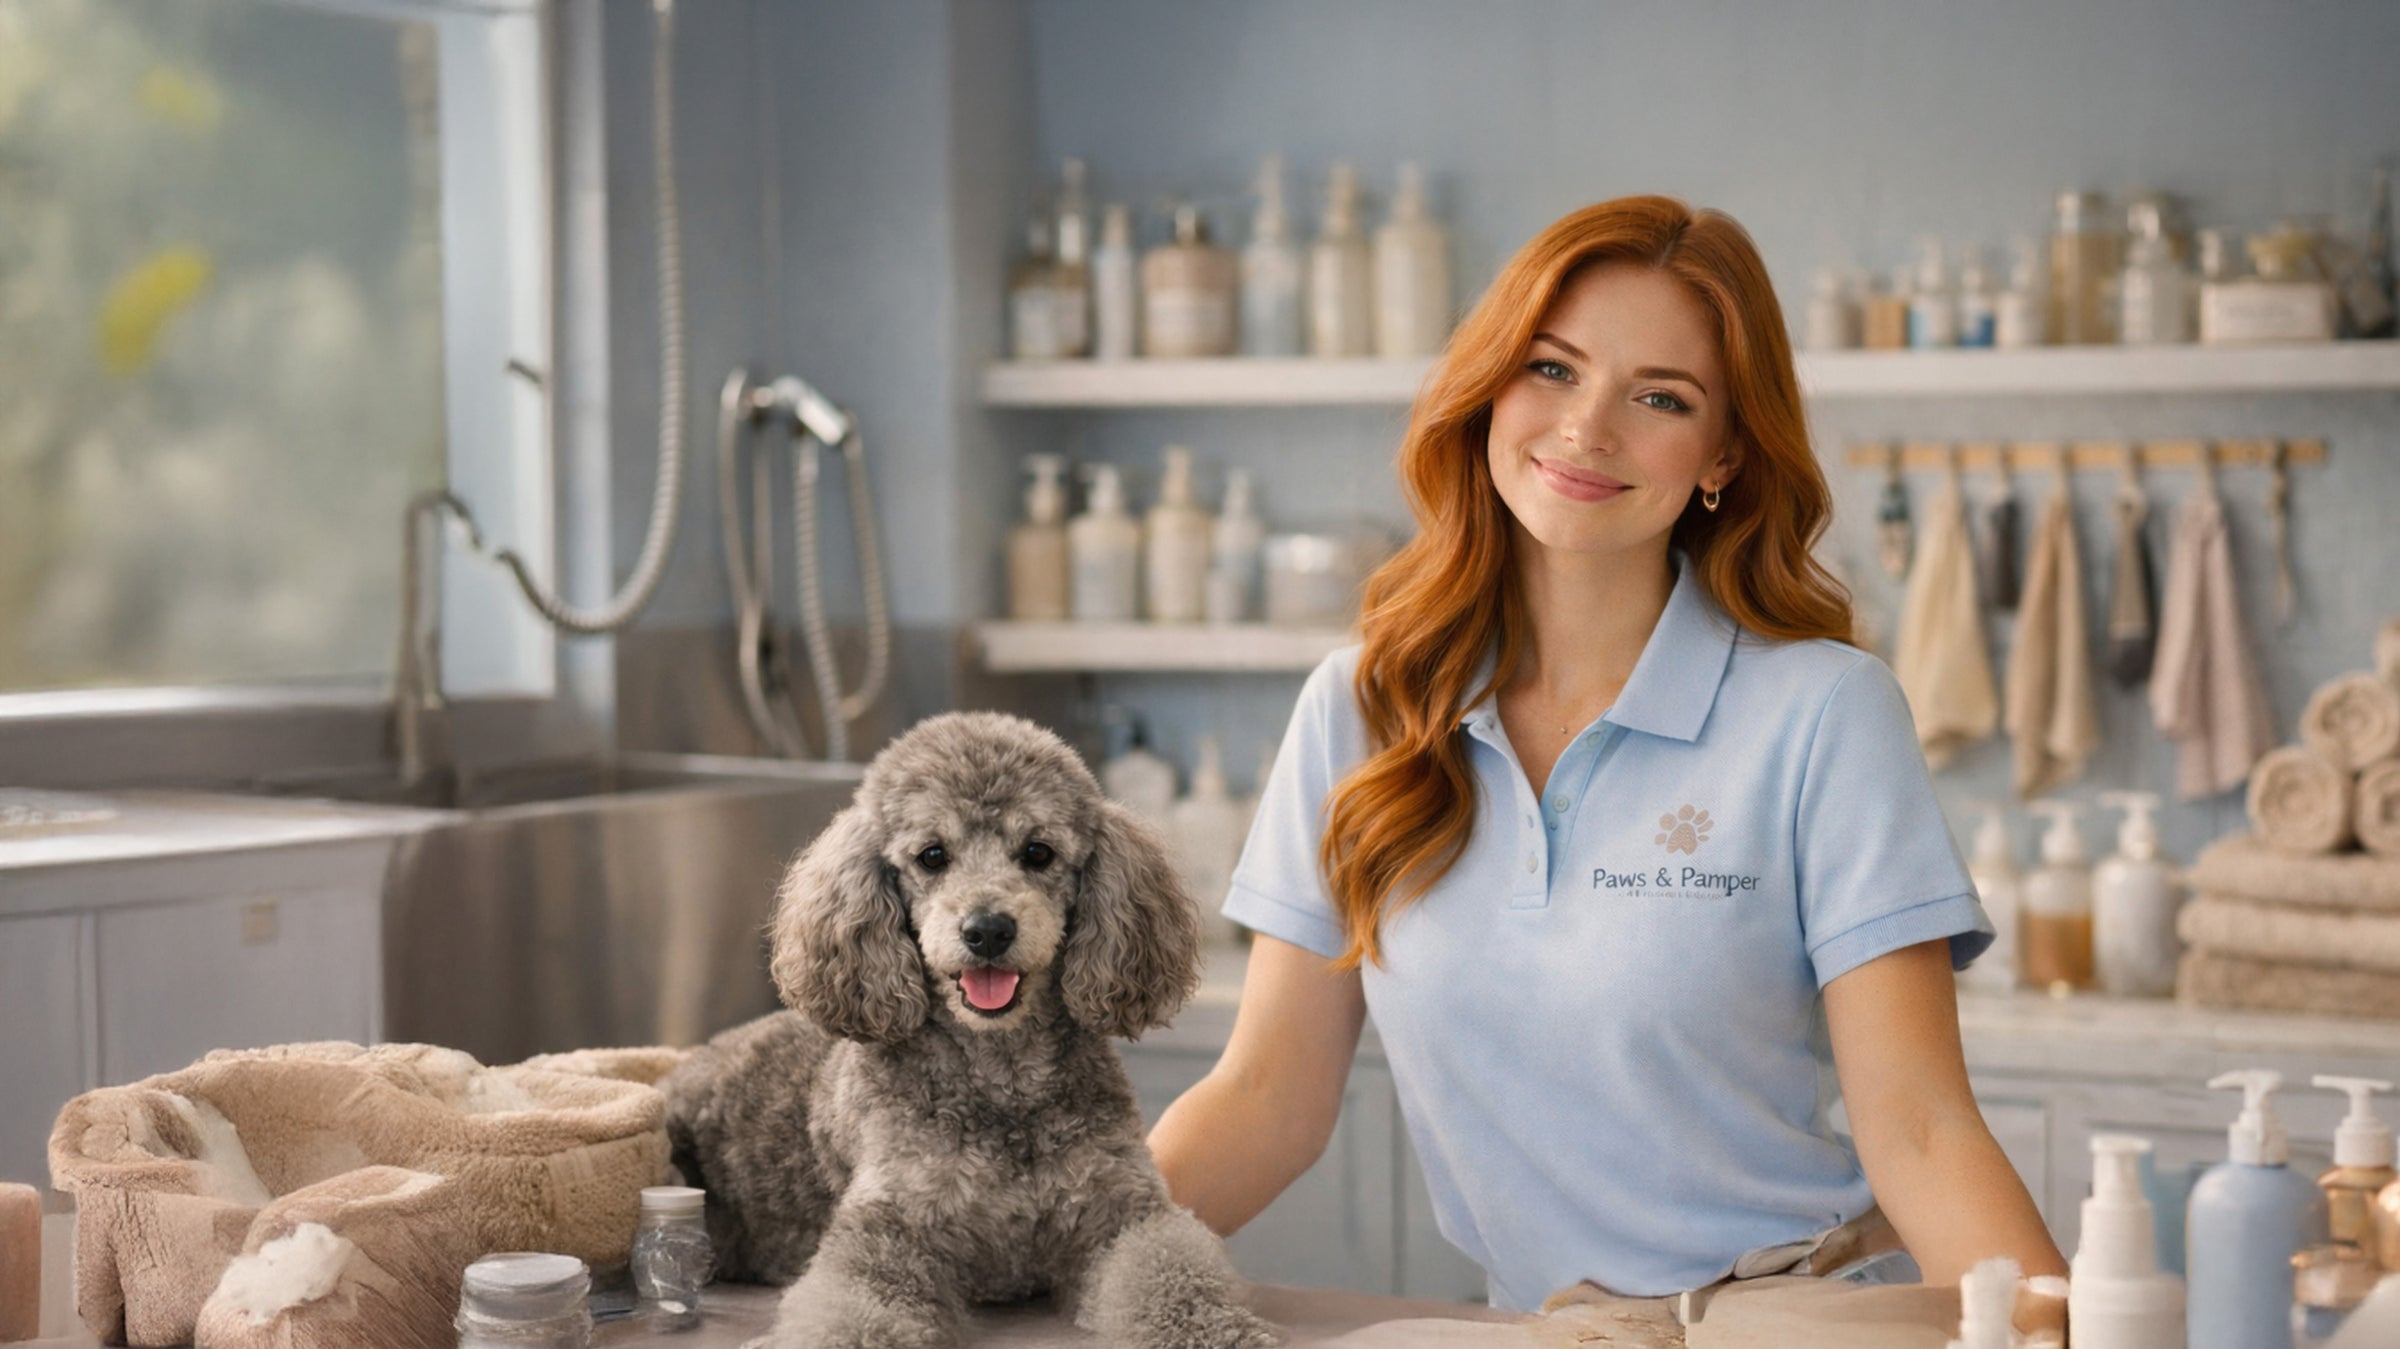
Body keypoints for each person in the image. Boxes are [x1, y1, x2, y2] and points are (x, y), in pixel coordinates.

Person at [1148, 196, 2067, 1311]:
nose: (1589, 428)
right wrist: (1031, 1266)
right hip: (1550, 1333)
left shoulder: (1824, 710)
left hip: (1791, 1317)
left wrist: (2058, 1327)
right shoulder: (1363, 706)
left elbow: (1921, 1128)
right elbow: (1264, 1100)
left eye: (1661, 397)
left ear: (1724, 452)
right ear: (1488, 388)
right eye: (1551, 369)